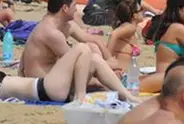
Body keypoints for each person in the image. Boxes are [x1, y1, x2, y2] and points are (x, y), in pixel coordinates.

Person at [20, 0, 115, 78]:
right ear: (65, 8)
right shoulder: (50, 32)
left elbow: (93, 40)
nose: (76, 9)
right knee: (99, 76)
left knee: (92, 47)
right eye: (74, 5)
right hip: (45, 83)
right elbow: (77, 62)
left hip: (54, 74)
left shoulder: (66, 25)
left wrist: (109, 59)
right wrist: (107, 65)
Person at [0, 42, 138, 103]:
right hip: (44, 89)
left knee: (94, 59)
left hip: (46, 87)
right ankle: (80, 96)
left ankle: (126, 95)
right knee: (82, 48)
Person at [106, 0, 144, 71]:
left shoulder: (132, 28)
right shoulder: (130, 27)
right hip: (121, 74)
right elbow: (113, 35)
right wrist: (108, 58)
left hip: (125, 72)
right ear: (134, 16)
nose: (143, 11)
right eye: (141, 9)